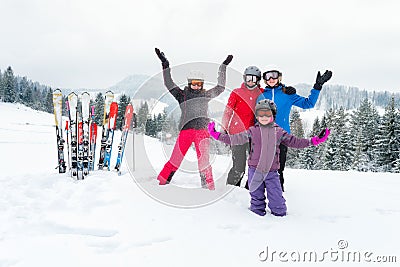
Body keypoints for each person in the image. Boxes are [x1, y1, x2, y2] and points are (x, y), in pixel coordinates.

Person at [208, 99, 330, 216]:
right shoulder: (252, 131)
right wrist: (217, 135)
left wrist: (314, 141)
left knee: (277, 201)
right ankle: (257, 220)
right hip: (254, 171)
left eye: (267, 113)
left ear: (273, 115)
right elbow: (235, 139)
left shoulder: (279, 132)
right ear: (257, 116)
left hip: (272, 172)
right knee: (256, 201)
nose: (264, 117)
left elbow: (296, 142)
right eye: (261, 113)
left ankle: (280, 220)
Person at [155, 48, 233, 190]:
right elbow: (168, 83)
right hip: (186, 130)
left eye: (199, 84)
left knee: (204, 161)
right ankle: (161, 182)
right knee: (175, 159)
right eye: (194, 83)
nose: (196, 86)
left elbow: (220, 88)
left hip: (202, 132)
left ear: (202, 84)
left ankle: (208, 188)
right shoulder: (182, 95)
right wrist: (165, 64)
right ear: (189, 83)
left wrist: (223, 68)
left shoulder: (206, 95)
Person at [257, 69, 332, 191]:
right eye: (268, 76)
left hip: (282, 137)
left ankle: (278, 193)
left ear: (279, 77)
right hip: (262, 136)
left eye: (274, 76)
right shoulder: (260, 94)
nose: (271, 79)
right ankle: (251, 193)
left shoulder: (287, 94)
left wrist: (317, 86)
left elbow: (308, 104)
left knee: (278, 168)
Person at [221, 66, 264, 188]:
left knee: (254, 165)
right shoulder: (237, 92)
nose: (250, 81)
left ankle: (249, 189)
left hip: (254, 136)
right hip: (237, 134)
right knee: (239, 167)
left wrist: (285, 90)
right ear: (244, 78)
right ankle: (231, 188)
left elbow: (274, 92)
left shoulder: (261, 93)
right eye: (248, 78)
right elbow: (228, 111)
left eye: (254, 79)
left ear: (258, 80)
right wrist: (224, 129)